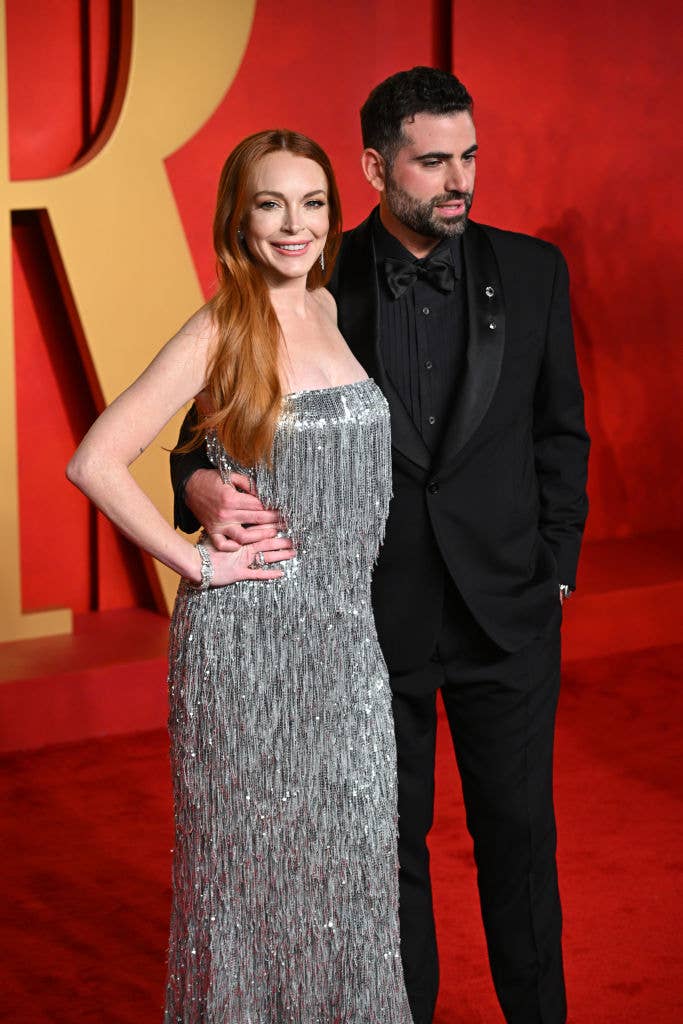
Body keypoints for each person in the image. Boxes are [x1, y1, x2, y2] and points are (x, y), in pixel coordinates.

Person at [172, 69, 590, 1024]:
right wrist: (197, 480)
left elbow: (559, 434)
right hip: (361, 625)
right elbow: (204, 430)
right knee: (384, 857)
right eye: (432, 160)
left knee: (521, 846)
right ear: (372, 165)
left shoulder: (532, 273)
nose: (459, 180)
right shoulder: (309, 280)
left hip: (507, 614)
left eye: (468, 156)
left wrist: (555, 573)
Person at [68, 129, 413, 1024]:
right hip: (246, 649)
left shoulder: (332, 311)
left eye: (311, 202)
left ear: (334, 215)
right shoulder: (224, 324)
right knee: (248, 884)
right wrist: (193, 557)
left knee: (352, 877)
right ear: (238, 217)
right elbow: (96, 459)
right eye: (270, 203)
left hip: (346, 647)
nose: (293, 224)